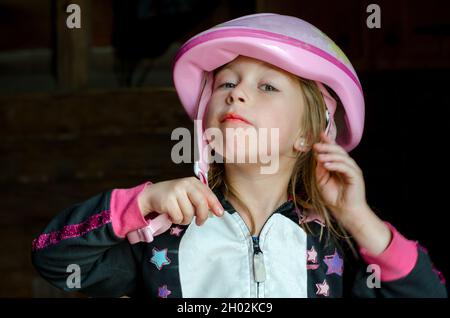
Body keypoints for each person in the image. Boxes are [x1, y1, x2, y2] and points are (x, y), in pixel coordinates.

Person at [32, 13, 447, 298]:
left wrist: (360, 220)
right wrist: (139, 202)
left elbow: (427, 293)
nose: (237, 92)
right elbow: (52, 257)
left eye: (268, 86)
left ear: (308, 135)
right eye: (226, 83)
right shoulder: (163, 234)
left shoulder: (337, 247)